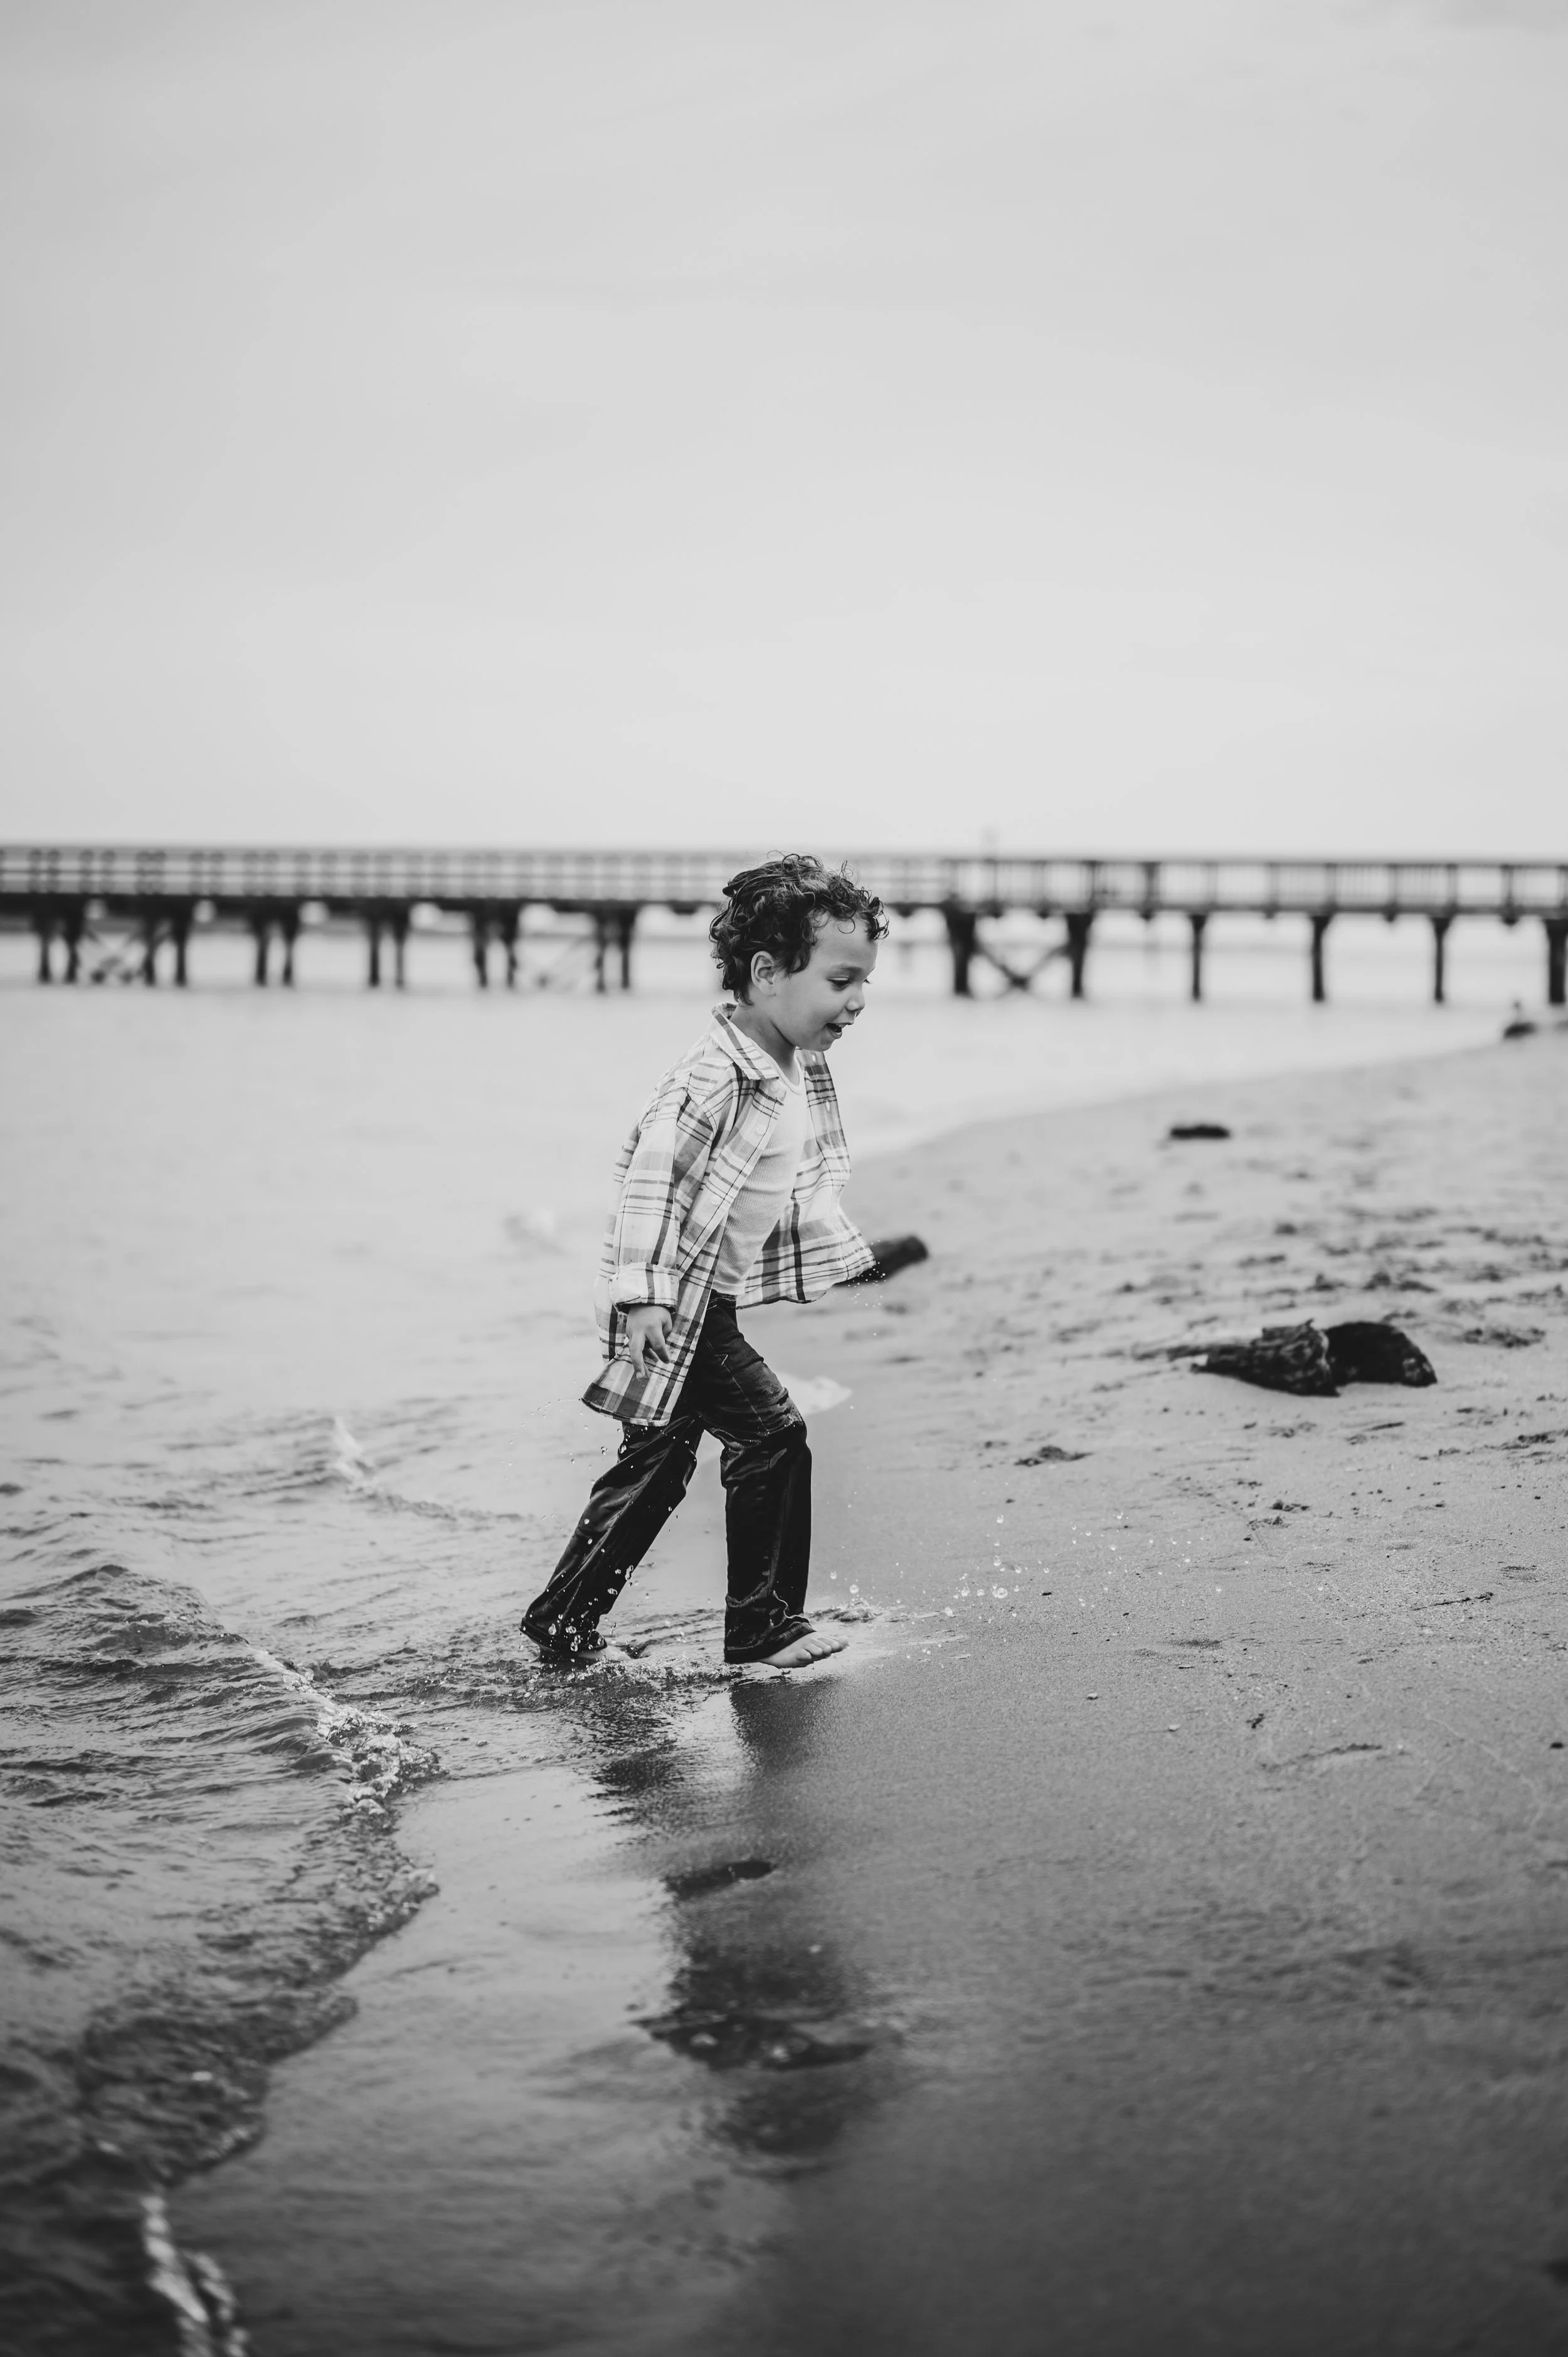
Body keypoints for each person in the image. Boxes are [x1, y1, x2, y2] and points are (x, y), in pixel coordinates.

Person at [521, 854, 887, 1669]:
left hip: (682, 1294)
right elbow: (650, 1180)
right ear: (766, 973)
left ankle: (563, 1620)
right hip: (671, 1300)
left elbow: (785, 1175)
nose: (857, 1000)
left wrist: (829, 1251)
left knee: (657, 1462)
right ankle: (761, 1626)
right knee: (773, 1435)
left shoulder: (789, 1060)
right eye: (839, 980)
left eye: (865, 980)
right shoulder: (716, 1077)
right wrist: (645, 1295)